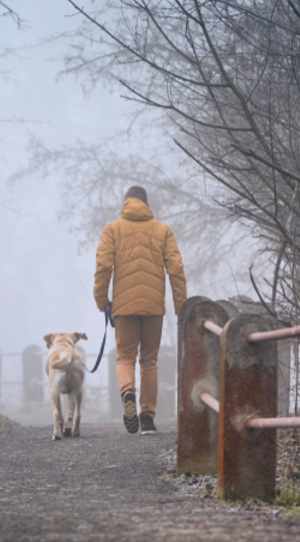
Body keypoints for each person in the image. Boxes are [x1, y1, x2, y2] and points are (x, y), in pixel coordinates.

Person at [94, 185, 186, 435]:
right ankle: (147, 419)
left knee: (125, 357)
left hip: (124, 307)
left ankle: (128, 392)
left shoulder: (112, 229)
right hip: (153, 307)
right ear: (147, 205)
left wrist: (102, 301)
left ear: (125, 203)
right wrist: (181, 307)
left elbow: (103, 266)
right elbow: (176, 269)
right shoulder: (163, 230)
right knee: (149, 361)